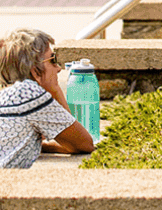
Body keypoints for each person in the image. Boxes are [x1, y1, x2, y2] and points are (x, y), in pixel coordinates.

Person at [0, 29, 94, 168]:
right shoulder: (28, 94)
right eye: (53, 60)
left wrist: (41, 145)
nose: (58, 68)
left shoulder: (7, 95)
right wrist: (54, 88)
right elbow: (83, 144)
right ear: (35, 71)